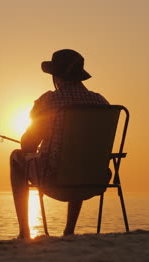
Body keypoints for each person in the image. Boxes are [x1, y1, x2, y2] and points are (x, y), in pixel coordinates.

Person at [10, 49, 109, 239]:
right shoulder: (101, 102)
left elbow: (28, 145)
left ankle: (24, 232)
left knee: (16, 156)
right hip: (95, 181)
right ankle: (69, 230)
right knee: (79, 158)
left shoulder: (48, 101)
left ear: (56, 76)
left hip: (53, 181)